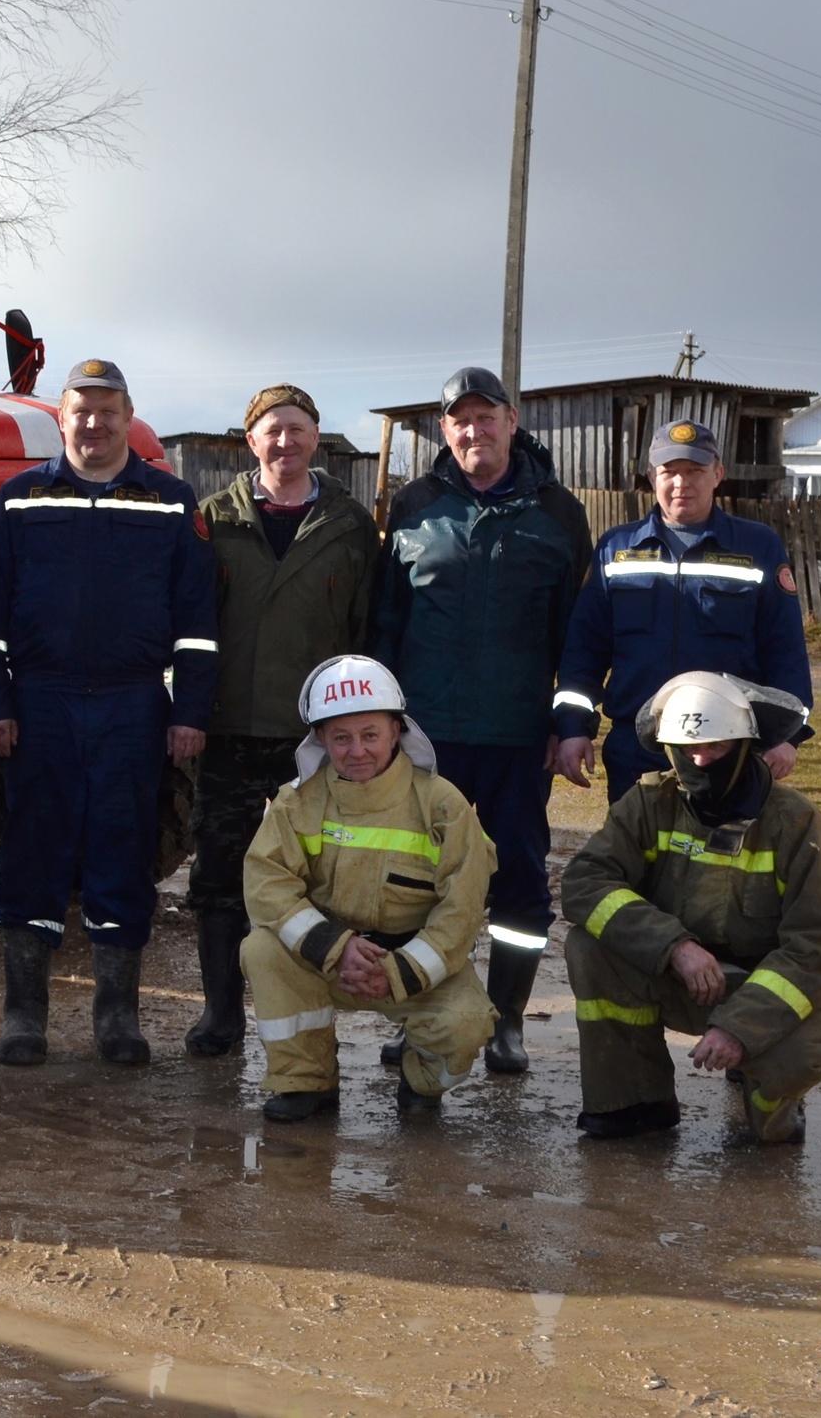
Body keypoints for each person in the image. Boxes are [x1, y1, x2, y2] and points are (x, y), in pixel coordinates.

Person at [0, 358, 217, 1067]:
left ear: (127, 417)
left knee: (122, 854)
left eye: (109, 411)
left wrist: (187, 711)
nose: (96, 424)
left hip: (135, 706)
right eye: (82, 410)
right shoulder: (20, 500)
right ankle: (24, 1017)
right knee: (32, 851)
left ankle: (117, 1020)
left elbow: (198, 625)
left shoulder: (170, 501)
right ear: (61, 418)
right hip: (39, 706)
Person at [370, 366, 590, 1076]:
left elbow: (574, 638)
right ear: (446, 430)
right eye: (460, 419)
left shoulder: (558, 511)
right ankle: (418, 1015)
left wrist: (567, 724)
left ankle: (506, 1024)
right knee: (415, 883)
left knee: (517, 883)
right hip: (426, 741)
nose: (474, 429)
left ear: (512, 421)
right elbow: (385, 626)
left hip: (517, 738)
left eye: (486, 416)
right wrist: (384, 725)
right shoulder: (414, 506)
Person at [559, 671, 821, 1143]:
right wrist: (674, 947)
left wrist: (740, 1027)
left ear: (744, 745)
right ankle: (634, 1103)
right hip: (681, 973)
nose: (698, 760)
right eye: (686, 749)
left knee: (801, 1057)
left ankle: (771, 1111)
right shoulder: (650, 803)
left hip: (769, 986)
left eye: (714, 747)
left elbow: (816, 949)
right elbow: (585, 882)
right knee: (589, 946)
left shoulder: (796, 822)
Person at [187, 384, 377, 1057]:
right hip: (230, 729)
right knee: (219, 874)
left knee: (315, 878)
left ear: (316, 438)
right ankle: (220, 1014)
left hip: (314, 737)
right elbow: (192, 622)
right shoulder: (215, 519)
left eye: (298, 430)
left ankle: (303, 1012)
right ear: (252, 441)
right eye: (273, 430)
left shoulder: (350, 525)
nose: (286, 443)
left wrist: (357, 728)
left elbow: (365, 629)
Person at [239, 656, 496, 1121]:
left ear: (397, 731)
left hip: (416, 966)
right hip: (329, 959)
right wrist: (333, 947)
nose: (356, 750)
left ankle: (421, 1084)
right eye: (341, 737)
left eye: (370, 735)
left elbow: (462, 909)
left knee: (467, 1023)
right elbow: (265, 882)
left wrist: (398, 971)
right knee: (261, 948)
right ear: (321, 739)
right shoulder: (298, 801)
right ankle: (305, 1081)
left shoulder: (444, 805)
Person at [555, 420, 814, 798]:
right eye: (669, 472)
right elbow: (584, 650)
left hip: (728, 746)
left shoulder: (757, 547)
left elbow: (785, 650)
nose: (681, 483)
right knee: (636, 854)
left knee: (720, 856)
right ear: (651, 476)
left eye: (695, 470)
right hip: (637, 745)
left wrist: (788, 736)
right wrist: (572, 727)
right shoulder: (616, 548)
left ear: (718, 474)